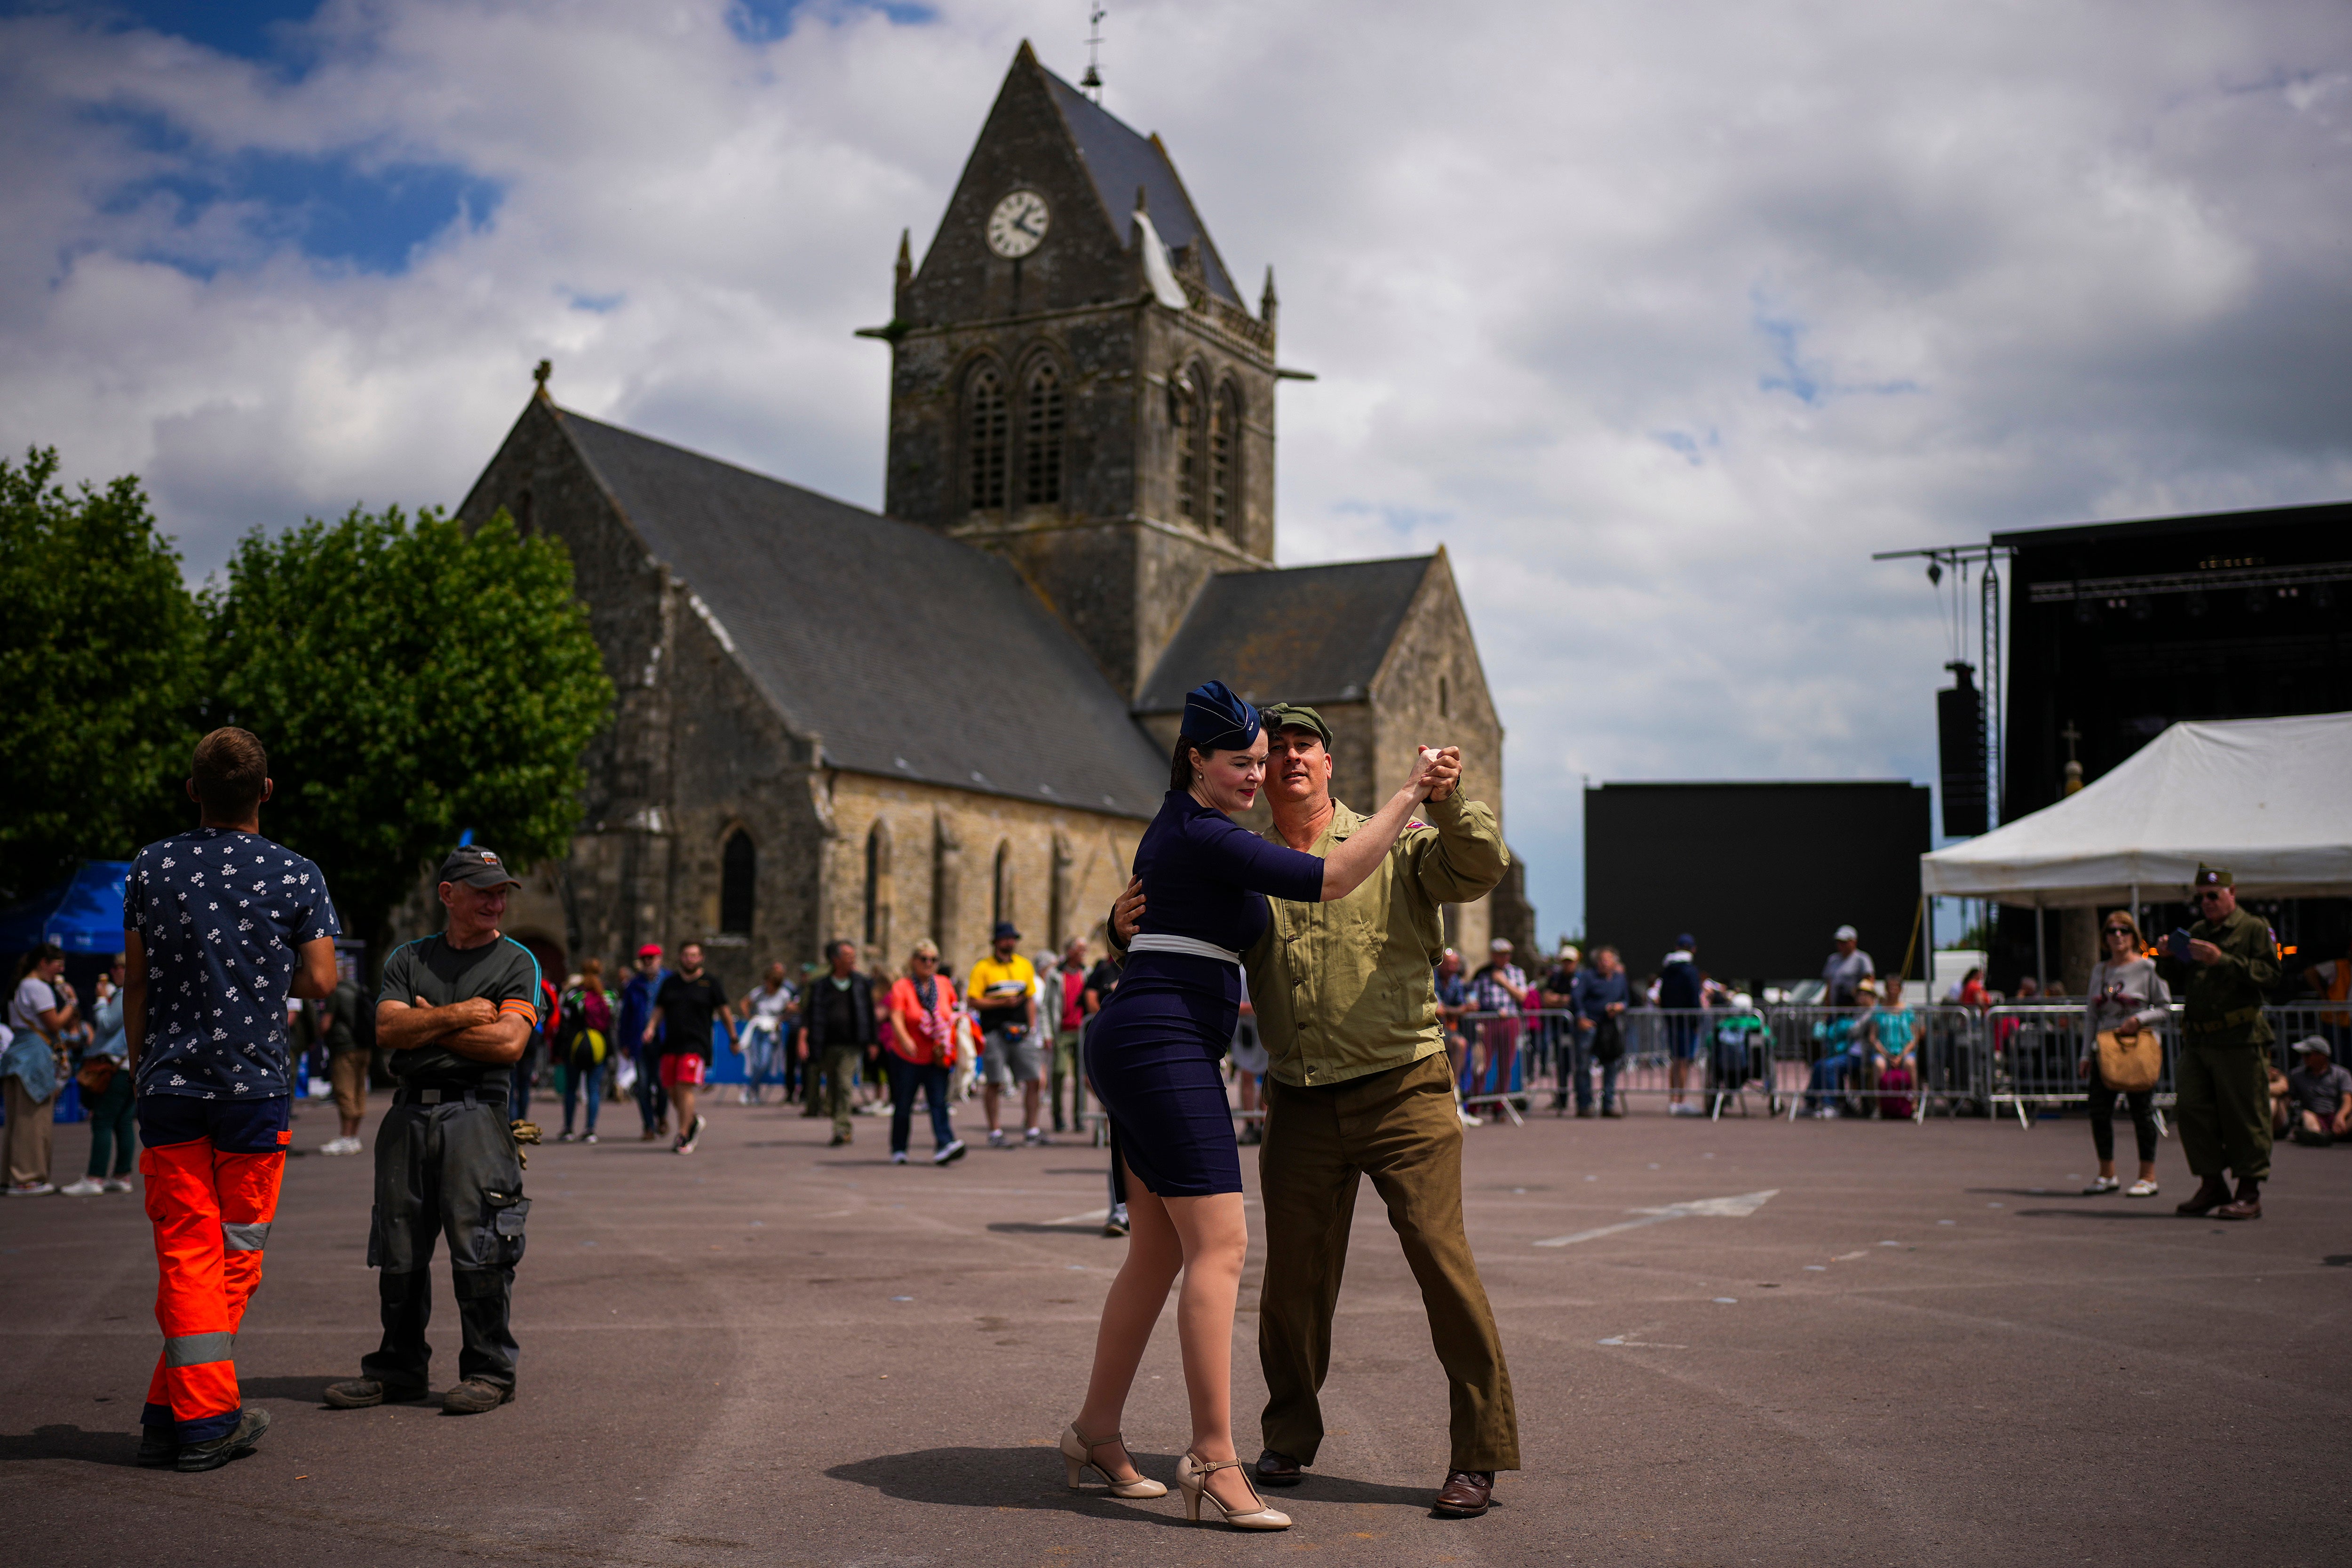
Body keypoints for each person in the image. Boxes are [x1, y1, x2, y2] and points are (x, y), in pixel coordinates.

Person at [1109, 697, 1513, 1519]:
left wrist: (1445, 798)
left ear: (1330, 764)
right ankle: (1288, 1433)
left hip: (1403, 1083)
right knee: (1291, 1282)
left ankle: (1479, 1452)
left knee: (1442, 1263)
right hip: (1299, 1097)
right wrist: (1115, 929)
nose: (1287, 759)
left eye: (1305, 747)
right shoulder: (1242, 859)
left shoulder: (1393, 845)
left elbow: (1480, 868)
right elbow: (1175, 915)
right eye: (1272, 749)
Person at [122, 727, 340, 1469]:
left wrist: (137, 1060)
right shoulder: (297, 874)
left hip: (169, 1082)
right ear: (266, 792)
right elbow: (322, 981)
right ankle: (207, 1420)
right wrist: (262, 969)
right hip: (252, 1084)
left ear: (193, 791)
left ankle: (172, 1409)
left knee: (187, 1247)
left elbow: (138, 979)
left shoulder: (153, 865)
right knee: (235, 1255)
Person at [326, 844, 539, 1417]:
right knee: (398, 1247)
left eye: (501, 891)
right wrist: (463, 1015)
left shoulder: (517, 962)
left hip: (478, 1114)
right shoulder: (409, 957)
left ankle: (489, 1371)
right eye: (483, 890)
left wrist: (425, 1025)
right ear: (448, 895)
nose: (496, 901)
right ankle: (398, 1369)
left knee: (483, 1248)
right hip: (408, 1113)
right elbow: (386, 1028)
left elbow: (509, 1044)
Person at [2171, 865, 2280, 1221]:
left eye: (2213, 895)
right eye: (2200, 896)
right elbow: (2182, 977)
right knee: (2190, 1108)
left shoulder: (2254, 928)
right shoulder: (2200, 931)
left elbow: (2271, 975)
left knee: (2245, 1114)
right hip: (2200, 1038)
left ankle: (2249, 1191)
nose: (2206, 902)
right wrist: (2172, 953)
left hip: (2239, 1037)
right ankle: (2212, 1183)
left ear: (2233, 893)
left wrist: (2223, 960)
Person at [2079, 912, 2169, 1196]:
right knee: (2099, 1111)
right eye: (2111, 931)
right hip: (2104, 1048)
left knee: (2141, 1110)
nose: (2118, 936)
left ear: (2133, 935)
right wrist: (2084, 1054)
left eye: (2124, 930)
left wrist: (2140, 1020)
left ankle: (2148, 1176)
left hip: (2137, 1045)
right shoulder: (2100, 971)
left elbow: (2166, 1008)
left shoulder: (2147, 969)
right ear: (2105, 938)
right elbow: (2091, 1015)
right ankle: (2107, 1174)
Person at [645, 940, 735, 1155]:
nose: (690, 959)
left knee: (685, 1087)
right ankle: (693, 1120)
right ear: (680, 957)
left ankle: (683, 1134)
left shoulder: (710, 983)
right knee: (672, 1091)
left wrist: (734, 1037)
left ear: (701, 958)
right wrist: (650, 1028)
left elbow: (724, 1011)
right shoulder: (670, 983)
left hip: (696, 1044)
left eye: (694, 955)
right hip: (672, 1043)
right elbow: (660, 1009)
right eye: (686, 955)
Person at [882, 939, 967, 1165]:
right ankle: (899, 1149)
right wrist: (905, 1039)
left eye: (933, 960)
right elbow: (897, 1017)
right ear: (913, 961)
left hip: (936, 1055)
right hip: (907, 1056)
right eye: (924, 959)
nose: (928, 963)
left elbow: (953, 1012)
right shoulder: (903, 987)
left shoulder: (944, 984)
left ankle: (945, 1144)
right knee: (903, 1104)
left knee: (939, 1102)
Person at [4, 943, 78, 1195]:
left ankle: (11, 1177)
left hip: (17, 1056)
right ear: (43, 963)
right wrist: (71, 1001)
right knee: (33, 1123)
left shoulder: (21, 985)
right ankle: (28, 1178)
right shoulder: (38, 988)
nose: (61, 969)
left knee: (17, 1121)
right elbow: (54, 1023)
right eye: (58, 964)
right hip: (33, 1058)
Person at [63, 955, 138, 1197]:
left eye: (119, 967)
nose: (114, 971)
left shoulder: (124, 993)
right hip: (133, 1066)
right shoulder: (144, 993)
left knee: (103, 1121)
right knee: (124, 1122)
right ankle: (121, 1175)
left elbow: (105, 1024)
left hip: (115, 1065)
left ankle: (95, 1177)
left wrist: (101, 999)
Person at [969, 922, 1043, 1147]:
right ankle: (995, 1131)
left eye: (1013, 939)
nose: (1010, 942)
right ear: (997, 942)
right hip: (994, 1032)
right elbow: (973, 1000)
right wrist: (1001, 1002)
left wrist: (1032, 1028)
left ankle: (1031, 1129)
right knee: (994, 1082)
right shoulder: (983, 968)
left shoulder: (1024, 965)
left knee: (1033, 1080)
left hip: (1021, 1032)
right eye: (1006, 939)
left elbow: (1030, 998)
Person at [803, 939, 876, 1147]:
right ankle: (839, 1121)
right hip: (826, 1044)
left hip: (851, 1044)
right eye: (848, 955)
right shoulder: (821, 986)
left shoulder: (861, 983)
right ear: (835, 960)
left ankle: (841, 1129)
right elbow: (809, 1014)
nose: (852, 959)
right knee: (834, 1088)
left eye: (853, 955)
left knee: (845, 1084)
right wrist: (804, 1039)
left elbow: (869, 1013)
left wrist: (873, 1041)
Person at [1083, 947, 1128, 1235]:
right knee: (1122, 1142)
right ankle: (1119, 1213)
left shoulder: (1159, 961)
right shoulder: (1105, 969)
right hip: (1118, 1053)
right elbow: (1090, 1004)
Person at [1464, 939, 1528, 1123]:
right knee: (1481, 1063)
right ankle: (1475, 1103)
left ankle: (1499, 1105)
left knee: (1505, 1064)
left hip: (1509, 1021)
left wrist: (1503, 982)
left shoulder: (1516, 973)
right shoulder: (1483, 974)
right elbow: (1473, 996)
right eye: (1501, 954)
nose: (1504, 957)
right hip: (1487, 1022)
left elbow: (1522, 996)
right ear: (1493, 955)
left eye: (1507, 954)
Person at [314, 962, 371, 1156]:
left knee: (344, 1092)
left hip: (344, 1048)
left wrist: (319, 1032)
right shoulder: (359, 989)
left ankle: (346, 1138)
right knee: (359, 1092)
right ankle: (354, 1137)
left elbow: (326, 1025)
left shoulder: (335, 993)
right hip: (364, 1048)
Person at [555, 958, 614, 1143]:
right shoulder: (609, 995)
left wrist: (559, 1050)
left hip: (575, 1045)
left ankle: (568, 1129)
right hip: (599, 1046)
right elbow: (614, 1023)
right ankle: (590, 1129)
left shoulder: (573, 994)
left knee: (571, 1089)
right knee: (593, 1089)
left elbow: (563, 1023)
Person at [1571, 946, 1631, 1118]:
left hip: (1610, 1028)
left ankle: (1608, 1105)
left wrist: (1620, 1007)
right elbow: (1577, 997)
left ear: (1614, 962)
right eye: (1602, 960)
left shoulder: (1619, 979)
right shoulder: (1588, 977)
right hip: (1590, 1026)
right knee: (1583, 1066)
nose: (1605, 963)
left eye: (1608, 960)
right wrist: (1581, 1017)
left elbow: (1627, 1000)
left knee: (1611, 1066)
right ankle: (1584, 1105)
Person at [618, 944, 670, 1141]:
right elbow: (626, 1016)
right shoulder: (633, 985)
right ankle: (648, 1125)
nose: (648, 962)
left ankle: (662, 1115)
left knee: (663, 1083)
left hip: (664, 1040)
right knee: (643, 1084)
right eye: (645, 959)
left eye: (652, 958)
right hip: (639, 1041)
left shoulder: (669, 980)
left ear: (660, 959)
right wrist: (624, 1042)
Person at [1804, 977, 1875, 1117]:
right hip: (1850, 1053)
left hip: (1864, 1056)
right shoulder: (1857, 1012)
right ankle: (1811, 1103)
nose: (1860, 997)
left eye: (1864, 994)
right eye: (1859, 994)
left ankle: (1832, 1105)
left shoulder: (1873, 1012)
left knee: (1829, 1066)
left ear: (1872, 996)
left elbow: (1854, 1031)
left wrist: (1846, 1024)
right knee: (1820, 1065)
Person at [739, 961, 799, 1106]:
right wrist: (750, 1017)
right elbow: (744, 1003)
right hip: (757, 1030)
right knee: (754, 1063)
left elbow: (791, 1010)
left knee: (764, 1063)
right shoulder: (759, 993)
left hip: (771, 1032)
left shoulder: (784, 995)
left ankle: (750, 1089)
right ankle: (754, 1093)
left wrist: (781, 1019)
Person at [1658, 935, 1704, 1115]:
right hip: (1686, 1021)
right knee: (1683, 1060)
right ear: (1693, 949)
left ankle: (1673, 1100)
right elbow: (1694, 997)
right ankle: (1681, 1100)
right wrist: (1695, 1021)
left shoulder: (1668, 969)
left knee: (1676, 1060)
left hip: (1672, 1020)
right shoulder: (1690, 971)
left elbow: (1662, 996)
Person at [1050, 937, 1090, 1134]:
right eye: (1080, 948)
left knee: (1081, 1077)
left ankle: (1079, 1117)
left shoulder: (1087, 973)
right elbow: (1047, 1006)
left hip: (1082, 1031)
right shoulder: (1056, 975)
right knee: (1058, 1072)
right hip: (1062, 1031)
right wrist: (1048, 1033)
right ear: (1070, 951)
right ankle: (1057, 1116)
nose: (1084, 951)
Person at [2280, 1036, 2352, 1146]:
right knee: (2306, 1114)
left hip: (2338, 1116)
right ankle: (2318, 1135)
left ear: (2322, 1056)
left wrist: (2341, 1116)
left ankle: (2333, 1134)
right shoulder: (2296, 1076)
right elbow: (2288, 1099)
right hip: (2315, 1116)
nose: (2304, 1058)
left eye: (2308, 1054)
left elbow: (2347, 1099)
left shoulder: (2341, 1074)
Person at [1865, 975, 1920, 1118]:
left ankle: (1914, 1105)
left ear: (1901, 990)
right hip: (1884, 1052)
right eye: (1890, 987)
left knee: (1910, 1063)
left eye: (1896, 987)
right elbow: (1873, 1037)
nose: (1893, 990)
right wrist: (1887, 1055)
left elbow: (1914, 1038)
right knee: (1879, 1065)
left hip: (1903, 1051)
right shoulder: (1878, 1010)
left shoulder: (1908, 1010)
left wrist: (1901, 1056)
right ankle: (1879, 1106)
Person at [1538, 945, 1580, 1113]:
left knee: (1578, 1064)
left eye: (1570, 962)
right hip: (1558, 1028)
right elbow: (1546, 999)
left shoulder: (1581, 978)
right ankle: (1562, 1099)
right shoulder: (1555, 977)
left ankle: (1582, 1099)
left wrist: (1559, 999)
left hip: (1576, 1028)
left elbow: (1575, 999)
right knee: (1561, 1065)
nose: (1567, 965)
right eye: (1565, 961)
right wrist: (1563, 1000)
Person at [1433, 949, 1472, 1118]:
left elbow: (1462, 1008)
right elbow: (1436, 1010)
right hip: (1432, 1027)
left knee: (1460, 1044)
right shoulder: (1432, 978)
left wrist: (1449, 1011)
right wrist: (1454, 1011)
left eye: (1455, 965)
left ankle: (1454, 1088)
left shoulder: (1456, 982)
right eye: (1449, 964)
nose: (1452, 968)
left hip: (1447, 1029)